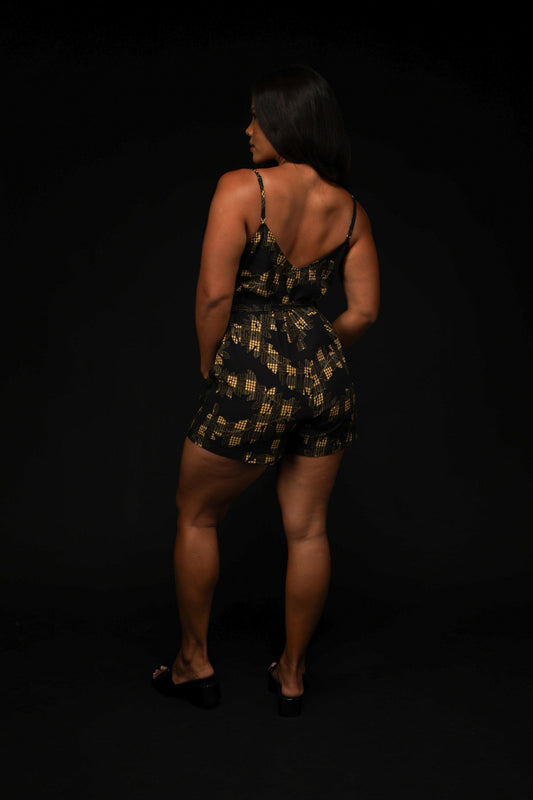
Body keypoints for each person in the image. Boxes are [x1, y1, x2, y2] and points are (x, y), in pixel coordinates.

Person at [152, 65, 380, 716]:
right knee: (307, 531)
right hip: (325, 379)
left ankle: (193, 664)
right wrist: (313, 348)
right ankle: (292, 674)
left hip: (250, 375)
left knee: (197, 515)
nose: (247, 129)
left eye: (256, 116)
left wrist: (213, 366)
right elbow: (364, 311)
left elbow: (213, 296)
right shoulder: (350, 209)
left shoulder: (242, 188)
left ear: (285, 120)